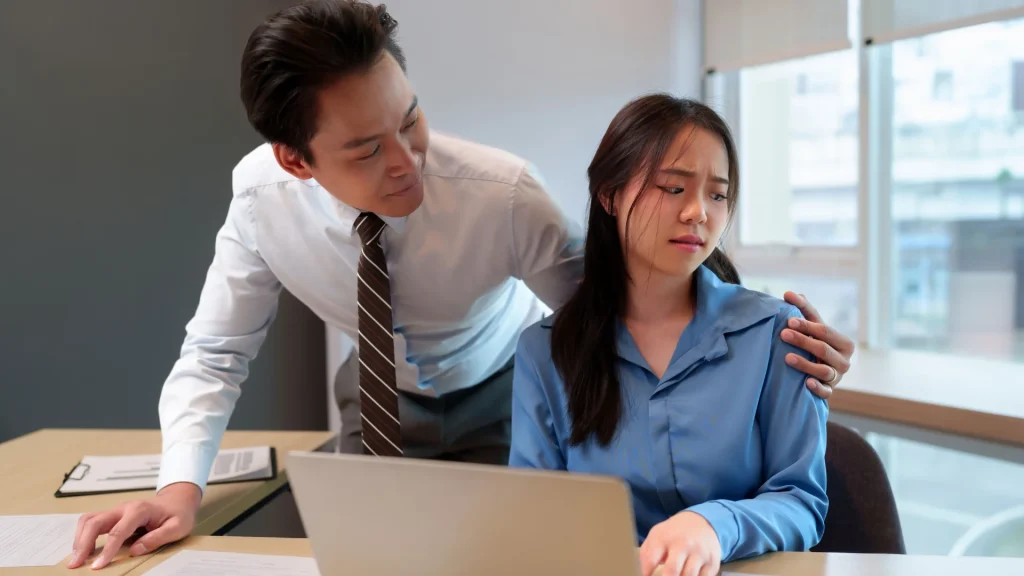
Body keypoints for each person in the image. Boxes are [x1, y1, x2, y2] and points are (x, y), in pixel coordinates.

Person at [68, 1, 852, 570]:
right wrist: (179, 489)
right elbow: (215, 355)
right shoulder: (260, 201)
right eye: (368, 149)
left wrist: (758, 333)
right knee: (363, 557)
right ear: (297, 160)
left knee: (498, 553)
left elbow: (623, 293)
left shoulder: (502, 195)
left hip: (499, 384)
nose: (407, 160)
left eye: (411, 119)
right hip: (373, 394)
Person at [509, 95, 830, 576]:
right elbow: (537, 520)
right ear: (610, 195)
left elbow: (801, 501)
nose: (698, 212)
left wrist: (713, 525)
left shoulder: (773, 334)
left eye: (718, 195)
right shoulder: (545, 351)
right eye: (673, 188)